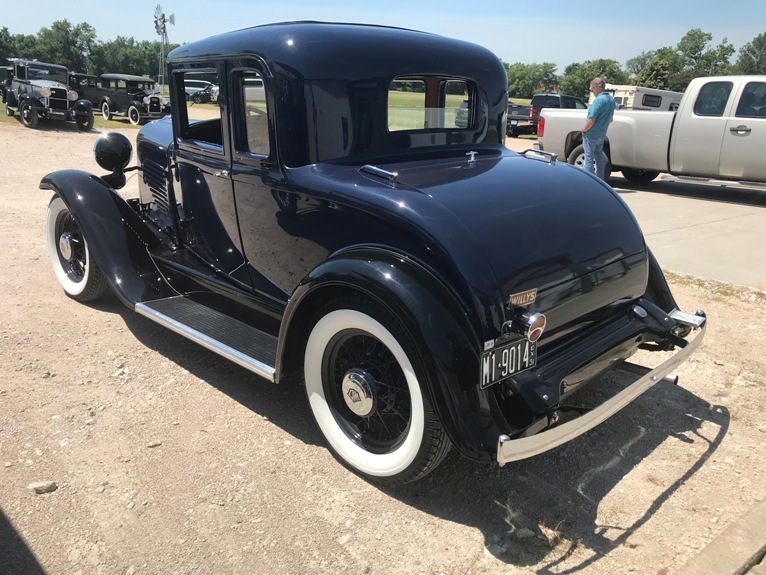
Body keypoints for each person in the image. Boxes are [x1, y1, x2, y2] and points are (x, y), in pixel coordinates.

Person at [581, 77, 615, 180]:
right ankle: (601, 180)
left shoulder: (598, 101)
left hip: (591, 135)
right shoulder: (611, 100)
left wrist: (584, 130)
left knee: (589, 159)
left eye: (592, 89)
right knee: (599, 158)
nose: (592, 92)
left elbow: (591, 120)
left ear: (596, 88)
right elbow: (610, 119)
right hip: (601, 135)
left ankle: (588, 181)